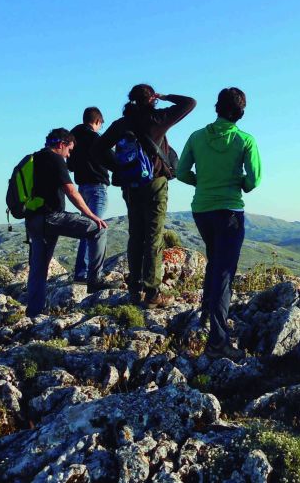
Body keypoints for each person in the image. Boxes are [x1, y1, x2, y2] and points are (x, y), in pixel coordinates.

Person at [177, 87, 262, 360]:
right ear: (240, 112)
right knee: (224, 273)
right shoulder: (244, 140)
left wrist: (200, 181)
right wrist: (241, 184)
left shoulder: (196, 137)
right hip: (229, 212)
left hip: (201, 209)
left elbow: (180, 172)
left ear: (216, 107)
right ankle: (218, 341)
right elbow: (254, 179)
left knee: (214, 262)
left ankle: (205, 315)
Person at [93, 84, 195, 308]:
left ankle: (133, 291)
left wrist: (119, 168)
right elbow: (190, 103)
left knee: (136, 236)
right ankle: (152, 292)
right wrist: (166, 96)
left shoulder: (121, 124)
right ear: (152, 100)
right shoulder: (158, 118)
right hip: (155, 183)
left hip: (131, 186)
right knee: (153, 237)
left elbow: (98, 149)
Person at [24, 128, 108, 318]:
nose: (69, 154)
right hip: (52, 217)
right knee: (98, 230)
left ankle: (34, 313)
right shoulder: (55, 159)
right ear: (61, 145)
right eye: (69, 150)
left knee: (39, 269)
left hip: (33, 220)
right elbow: (71, 191)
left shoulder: (34, 158)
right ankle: (94, 279)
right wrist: (92, 216)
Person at [68, 107, 120, 292]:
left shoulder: (73, 139)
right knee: (94, 229)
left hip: (81, 189)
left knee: (86, 229)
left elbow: (71, 166)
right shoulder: (96, 139)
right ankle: (89, 277)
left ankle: (81, 274)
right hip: (97, 187)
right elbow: (113, 162)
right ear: (97, 121)